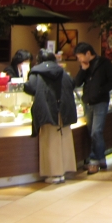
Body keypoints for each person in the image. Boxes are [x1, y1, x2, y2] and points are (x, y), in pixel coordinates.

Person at [23, 49, 77, 184]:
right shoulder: (62, 71)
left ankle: (54, 174)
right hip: (64, 110)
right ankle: (64, 171)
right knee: (64, 140)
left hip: (47, 110)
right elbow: (72, 84)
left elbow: (30, 88)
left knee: (50, 142)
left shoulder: (36, 72)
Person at [74, 42, 112, 175]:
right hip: (88, 103)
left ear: (88, 53)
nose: (79, 60)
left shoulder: (105, 63)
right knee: (92, 132)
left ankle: (94, 161)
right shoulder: (84, 66)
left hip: (101, 102)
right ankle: (101, 159)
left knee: (96, 132)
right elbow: (77, 83)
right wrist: (83, 69)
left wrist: (100, 91)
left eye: (80, 56)